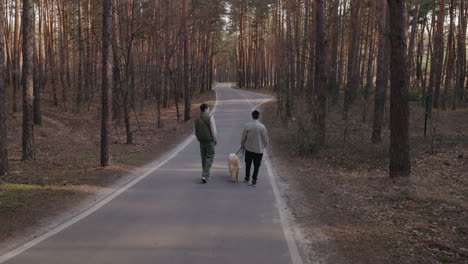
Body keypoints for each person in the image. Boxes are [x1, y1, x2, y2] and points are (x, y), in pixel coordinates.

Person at [240, 110, 268, 187]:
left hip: (248, 148)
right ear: (258, 116)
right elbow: (265, 139)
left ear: (252, 116)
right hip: (259, 150)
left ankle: (246, 178)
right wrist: (264, 146)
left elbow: (243, 137)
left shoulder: (247, 126)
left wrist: (242, 145)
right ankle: (254, 180)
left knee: (248, 164)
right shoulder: (262, 127)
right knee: (257, 165)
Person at [194, 103, 218, 183]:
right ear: (206, 109)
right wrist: (215, 139)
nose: (209, 110)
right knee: (209, 157)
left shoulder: (197, 119)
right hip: (209, 141)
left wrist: (198, 138)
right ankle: (204, 175)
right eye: (208, 108)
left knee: (203, 158)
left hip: (201, 141)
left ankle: (205, 175)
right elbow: (213, 130)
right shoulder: (210, 117)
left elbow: (195, 131)